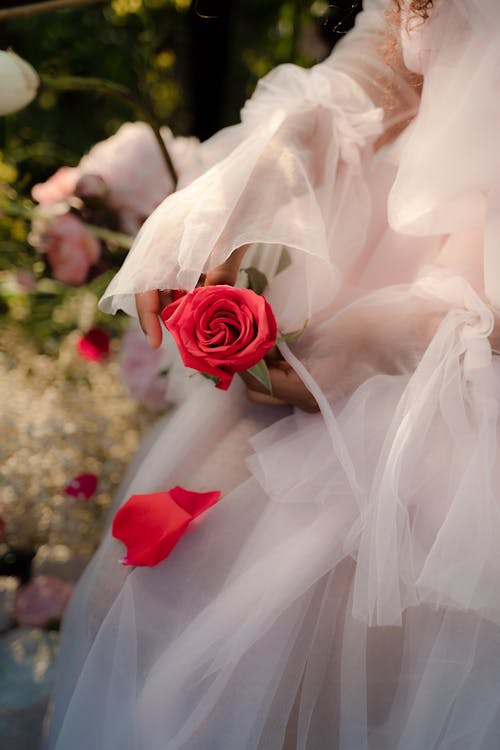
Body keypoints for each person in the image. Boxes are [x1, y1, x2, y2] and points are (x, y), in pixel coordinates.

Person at [45, 0, 500, 748]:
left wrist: (408, 335)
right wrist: (281, 156)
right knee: (139, 605)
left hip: (463, 345)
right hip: (387, 272)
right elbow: (395, 45)